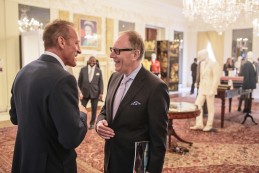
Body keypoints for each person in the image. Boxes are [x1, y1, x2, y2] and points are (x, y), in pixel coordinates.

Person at [9, 19, 88, 173]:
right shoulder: (64, 79)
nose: (79, 50)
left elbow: (15, 117)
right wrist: (82, 113)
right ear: (61, 42)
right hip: (51, 166)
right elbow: (71, 138)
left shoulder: (23, 72)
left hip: (25, 162)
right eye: (77, 43)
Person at [96, 30, 170, 173]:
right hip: (111, 159)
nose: (112, 55)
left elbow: (159, 141)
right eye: (112, 50)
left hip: (136, 165)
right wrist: (100, 122)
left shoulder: (156, 87)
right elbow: (105, 110)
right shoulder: (114, 78)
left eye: (117, 51)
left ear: (135, 54)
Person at [190, 49, 220, 132]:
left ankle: (209, 125)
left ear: (205, 55)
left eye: (200, 56)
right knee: (197, 104)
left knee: (210, 107)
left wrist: (213, 89)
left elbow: (216, 78)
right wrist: (197, 83)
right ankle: (199, 124)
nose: (198, 57)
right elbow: (201, 76)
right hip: (202, 88)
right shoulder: (202, 63)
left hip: (210, 89)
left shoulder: (214, 63)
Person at [78, 56, 104, 129]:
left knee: (94, 109)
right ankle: (81, 122)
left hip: (95, 93)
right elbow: (79, 82)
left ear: (95, 62)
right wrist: (79, 92)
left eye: (94, 61)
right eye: (91, 61)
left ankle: (92, 124)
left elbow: (100, 83)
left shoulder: (98, 70)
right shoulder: (83, 70)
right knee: (82, 108)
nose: (92, 62)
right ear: (89, 61)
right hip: (84, 93)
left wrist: (101, 93)